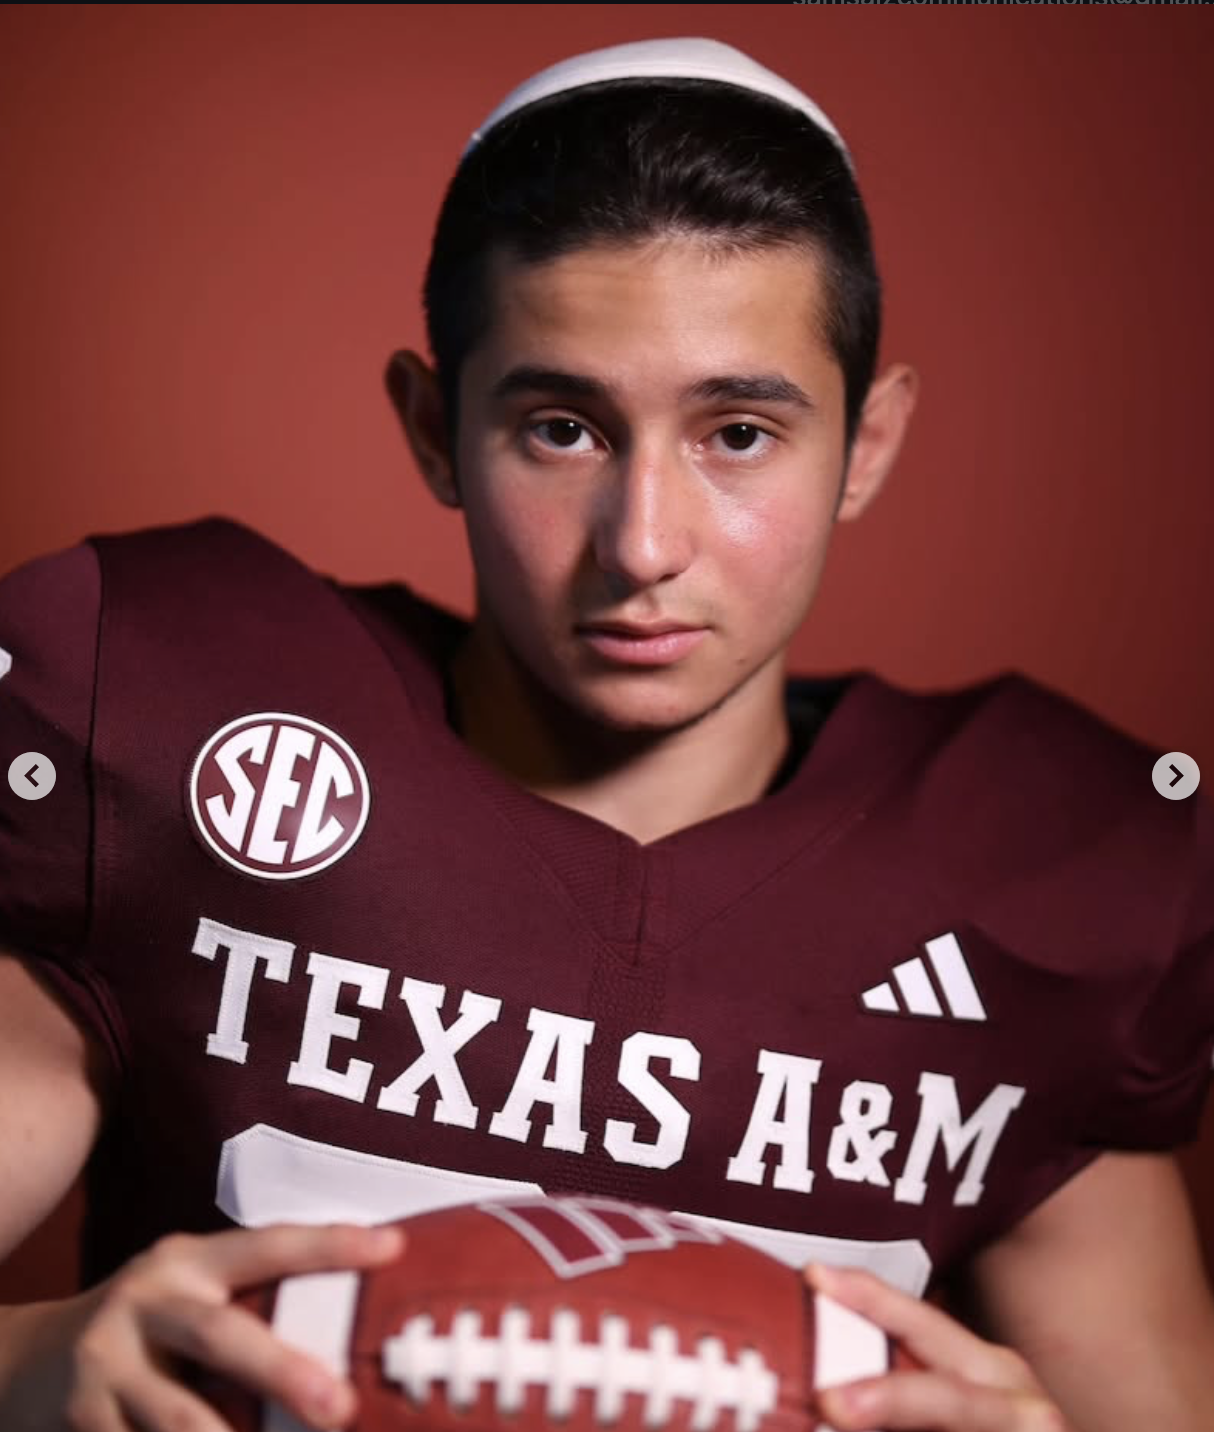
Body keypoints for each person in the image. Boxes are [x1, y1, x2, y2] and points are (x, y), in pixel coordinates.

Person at [1, 34, 1212, 1432]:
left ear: (866, 445)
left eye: (738, 433)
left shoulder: (1048, 870)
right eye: (563, 427)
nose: (642, 545)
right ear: (433, 428)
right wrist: (31, 1367)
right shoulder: (168, 720)